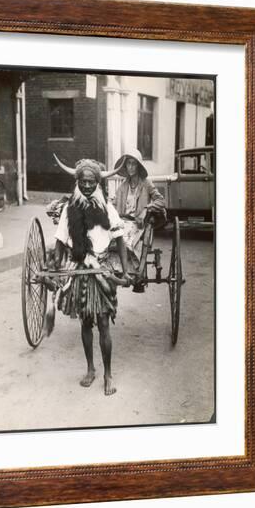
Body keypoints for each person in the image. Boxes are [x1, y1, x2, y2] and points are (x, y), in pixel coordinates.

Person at [51, 155, 132, 396]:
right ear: (77, 182)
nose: (86, 186)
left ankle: (108, 373)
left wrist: (126, 271)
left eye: (91, 182)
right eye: (83, 182)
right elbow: (60, 239)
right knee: (86, 322)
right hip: (80, 270)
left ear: (98, 183)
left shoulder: (107, 208)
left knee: (104, 323)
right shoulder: (69, 209)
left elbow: (120, 239)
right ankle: (90, 369)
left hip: (102, 271)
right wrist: (56, 263)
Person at [113, 150, 166, 266]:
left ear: (138, 166)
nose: (130, 167)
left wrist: (147, 208)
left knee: (127, 243)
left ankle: (133, 268)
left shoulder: (146, 184)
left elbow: (161, 200)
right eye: (128, 164)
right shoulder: (122, 187)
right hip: (122, 223)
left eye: (134, 164)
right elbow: (114, 204)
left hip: (139, 224)